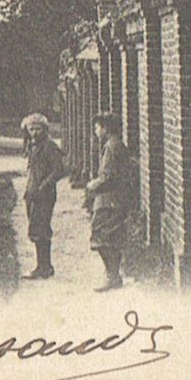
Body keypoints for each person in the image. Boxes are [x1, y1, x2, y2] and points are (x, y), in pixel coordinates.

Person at [85, 113, 134, 292]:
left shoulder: (111, 147)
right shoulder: (116, 144)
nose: (96, 131)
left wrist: (92, 185)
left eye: (98, 127)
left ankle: (111, 275)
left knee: (100, 235)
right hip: (117, 198)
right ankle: (113, 275)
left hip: (109, 200)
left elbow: (108, 177)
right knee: (112, 236)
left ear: (105, 128)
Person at [21, 113, 66, 279]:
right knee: (35, 228)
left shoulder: (50, 147)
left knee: (41, 229)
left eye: (38, 129)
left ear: (45, 129)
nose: (34, 133)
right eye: (31, 129)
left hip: (44, 194)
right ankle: (44, 266)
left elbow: (59, 170)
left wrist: (44, 185)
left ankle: (44, 267)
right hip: (32, 193)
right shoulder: (33, 146)